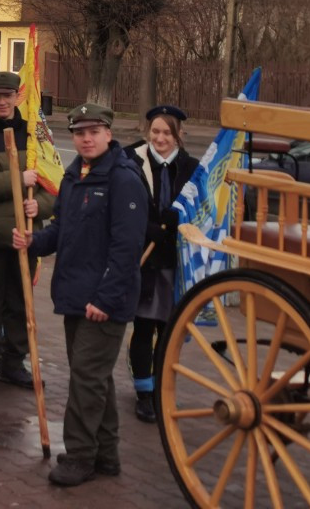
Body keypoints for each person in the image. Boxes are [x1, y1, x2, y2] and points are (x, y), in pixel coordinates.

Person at [13, 103, 146, 487]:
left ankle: (79, 456)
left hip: (104, 301)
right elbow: (63, 229)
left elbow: (127, 248)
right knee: (95, 378)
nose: (86, 139)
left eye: (93, 131)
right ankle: (106, 454)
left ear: (108, 133)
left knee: (86, 379)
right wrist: (33, 241)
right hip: (75, 294)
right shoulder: (76, 175)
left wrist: (106, 299)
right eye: (79, 132)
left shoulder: (124, 179)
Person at [0, 72, 55, 392]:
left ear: (17, 97)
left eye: (8, 96)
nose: (2, 102)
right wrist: (16, 180)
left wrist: (42, 207)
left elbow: (53, 184)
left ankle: (13, 362)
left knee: (21, 304)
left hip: (27, 237)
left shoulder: (35, 136)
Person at [124, 105, 198, 424]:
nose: (160, 138)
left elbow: (202, 206)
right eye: (155, 131)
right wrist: (145, 226)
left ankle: (160, 389)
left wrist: (181, 222)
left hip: (175, 259)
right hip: (144, 256)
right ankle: (143, 391)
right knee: (142, 324)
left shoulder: (192, 168)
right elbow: (124, 204)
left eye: (167, 132)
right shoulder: (132, 161)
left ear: (178, 134)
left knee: (168, 328)